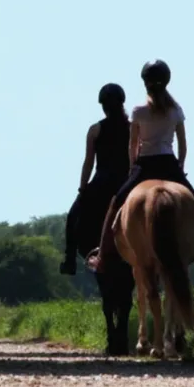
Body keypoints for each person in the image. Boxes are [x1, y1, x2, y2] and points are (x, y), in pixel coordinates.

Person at [84, 59, 194, 274]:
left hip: (145, 165)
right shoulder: (176, 110)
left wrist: (132, 166)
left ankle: (102, 257)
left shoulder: (138, 111)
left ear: (145, 83)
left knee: (116, 202)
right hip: (169, 164)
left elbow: (133, 144)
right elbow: (183, 143)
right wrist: (180, 166)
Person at [59, 83, 132, 275]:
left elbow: (88, 163)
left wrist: (82, 189)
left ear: (103, 106)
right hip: (126, 182)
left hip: (101, 182)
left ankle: (69, 259)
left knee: (73, 215)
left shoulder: (95, 130)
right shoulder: (134, 128)